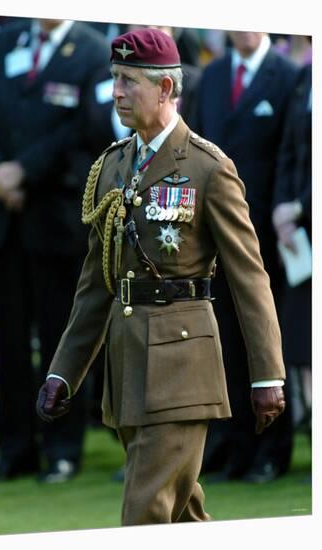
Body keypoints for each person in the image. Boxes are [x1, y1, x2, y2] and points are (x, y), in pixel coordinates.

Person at [36, 28, 286, 525]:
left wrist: (267, 374)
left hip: (182, 371)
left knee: (145, 514)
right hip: (127, 371)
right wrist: (63, 370)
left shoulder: (208, 167)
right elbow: (96, 284)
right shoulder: (112, 166)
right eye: (114, 79)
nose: (116, 93)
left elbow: (249, 276)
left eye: (129, 81)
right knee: (180, 516)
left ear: (165, 89)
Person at [0, 16, 109, 483]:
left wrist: (25, 171)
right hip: (3, 220)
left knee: (61, 340)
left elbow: (87, 130)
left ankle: (62, 449)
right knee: (9, 343)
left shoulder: (93, 49)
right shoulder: (5, 41)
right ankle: (14, 452)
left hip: (56, 220)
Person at [192, 31, 298, 482]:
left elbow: (289, 155)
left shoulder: (288, 76)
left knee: (266, 341)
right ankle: (233, 448)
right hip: (212, 236)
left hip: (263, 239)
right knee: (224, 344)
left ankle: (271, 450)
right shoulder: (213, 75)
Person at [272, 58, 312, 437]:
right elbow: (288, 150)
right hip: (300, 240)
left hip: (306, 216)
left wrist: (299, 205)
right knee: (301, 345)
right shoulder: (305, 76)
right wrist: (283, 210)